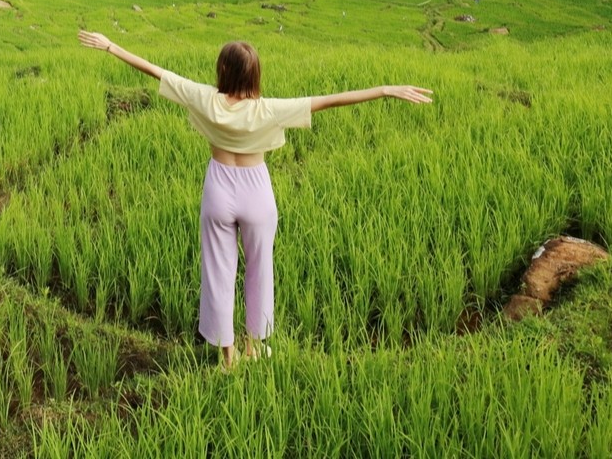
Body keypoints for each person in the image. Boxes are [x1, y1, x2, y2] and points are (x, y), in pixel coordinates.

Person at [77, 30, 433, 368]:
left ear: (223, 70)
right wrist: (386, 89)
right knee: (260, 269)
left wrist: (111, 46)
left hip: (219, 187)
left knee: (218, 272)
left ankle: (227, 357)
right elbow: (332, 100)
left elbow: (154, 70)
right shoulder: (269, 109)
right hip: (256, 191)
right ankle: (254, 347)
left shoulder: (204, 98)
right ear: (255, 74)